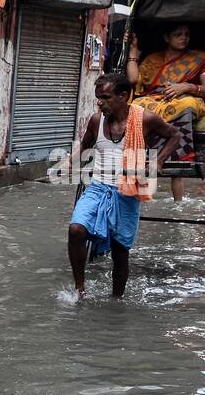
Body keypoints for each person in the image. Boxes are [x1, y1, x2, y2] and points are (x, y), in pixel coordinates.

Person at [68, 73, 182, 299]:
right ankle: (80, 289)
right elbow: (84, 146)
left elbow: (175, 135)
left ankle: (116, 301)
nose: (100, 102)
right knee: (76, 229)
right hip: (98, 187)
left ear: (123, 96)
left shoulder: (145, 119)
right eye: (98, 97)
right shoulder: (95, 121)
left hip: (126, 191)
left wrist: (158, 160)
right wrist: (65, 165)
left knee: (120, 252)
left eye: (106, 97)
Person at [126, 24, 205, 200]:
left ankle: (177, 160)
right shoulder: (153, 60)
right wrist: (132, 53)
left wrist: (187, 86)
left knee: (186, 105)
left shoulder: (200, 59)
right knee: (136, 107)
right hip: (154, 99)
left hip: (187, 98)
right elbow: (133, 79)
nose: (184, 38)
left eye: (187, 34)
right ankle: (141, 161)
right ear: (167, 38)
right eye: (178, 34)